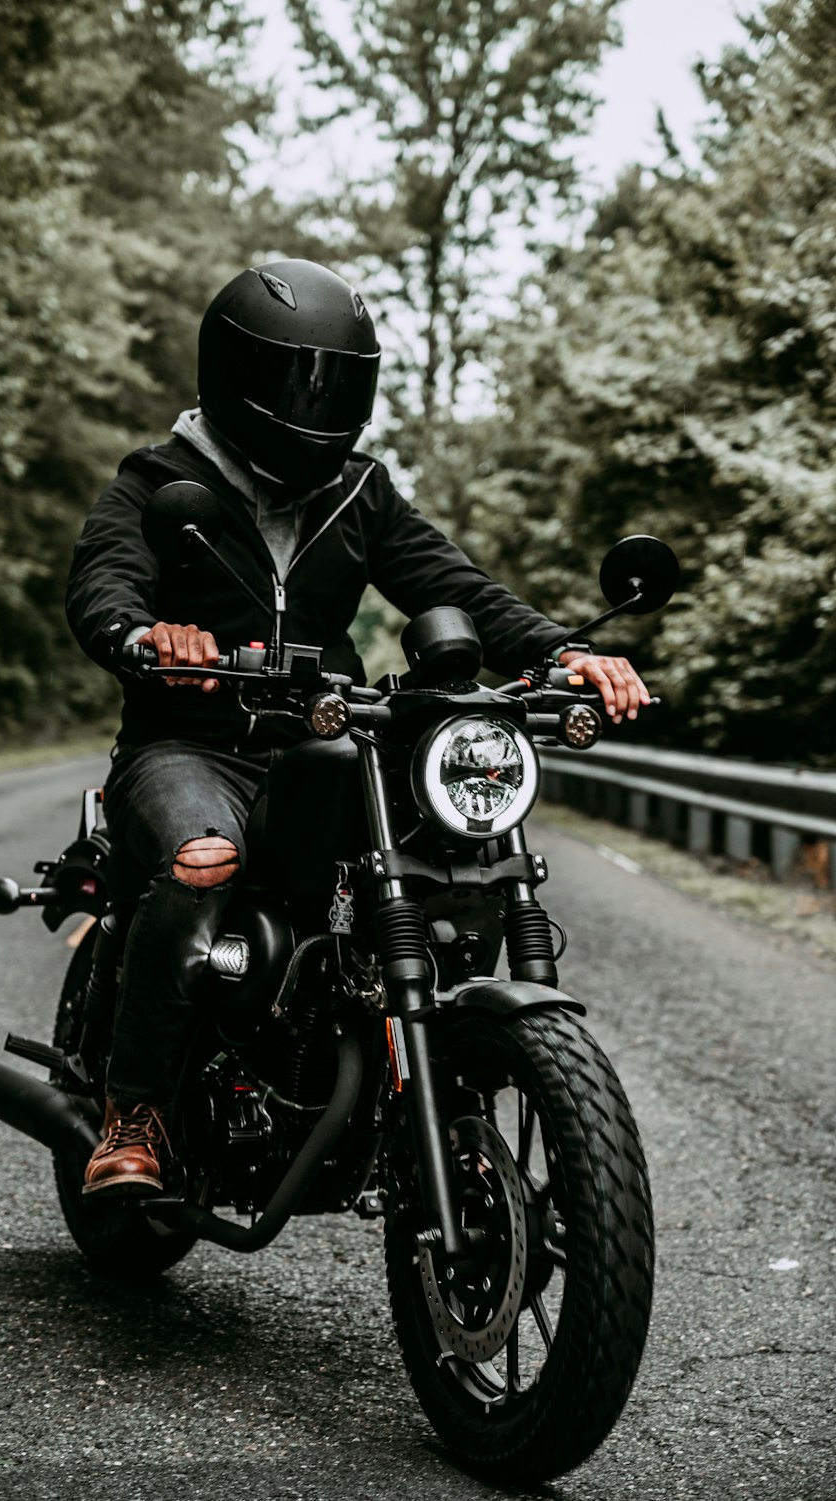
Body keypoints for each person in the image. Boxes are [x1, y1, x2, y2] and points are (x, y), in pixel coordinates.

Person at [66, 258, 650, 1201]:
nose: (319, 401)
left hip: (325, 740)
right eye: (301, 378)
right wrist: (142, 634)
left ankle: (392, 1050)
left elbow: (457, 588)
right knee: (203, 855)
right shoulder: (157, 480)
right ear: (239, 374)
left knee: (419, 857)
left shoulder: (362, 491)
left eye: (339, 379)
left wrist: (560, 655)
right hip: (188, 746)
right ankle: (136, 1111)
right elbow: (103, 581)